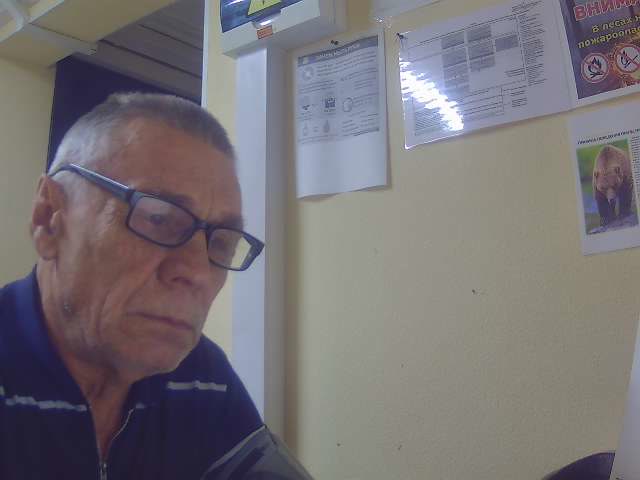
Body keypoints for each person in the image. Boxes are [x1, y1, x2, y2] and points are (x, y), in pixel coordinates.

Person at [0, 93, 266, 479]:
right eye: (157, 218)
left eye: (222, 242)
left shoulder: (202, 378)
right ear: (48, 218)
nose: (197, 272)